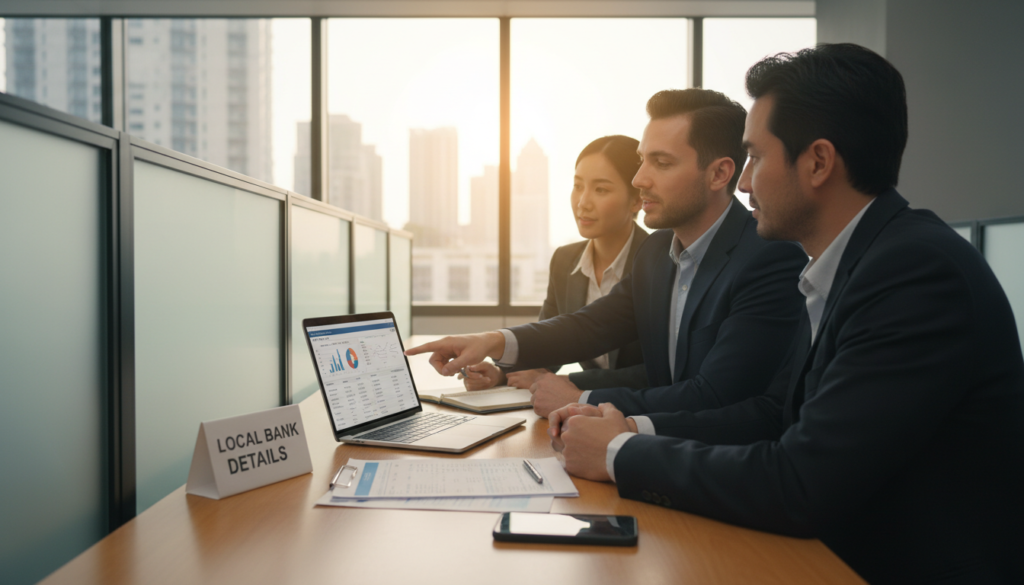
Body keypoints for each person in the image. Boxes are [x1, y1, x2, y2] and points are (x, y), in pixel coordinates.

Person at [547, 44, 1024, 583]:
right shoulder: (851, 263)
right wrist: (631, 425)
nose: (744, 182)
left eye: (755, 156)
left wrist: (619, 453)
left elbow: (800, 481)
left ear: (818, 162)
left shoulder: (914, 273)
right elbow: (774, 414)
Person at [407, 89, 807, 419]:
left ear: (719, 174)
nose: (639, 180)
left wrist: (580, 399)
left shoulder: (768, 256)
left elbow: (718, 397)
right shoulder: (656, 253)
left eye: (661, 163)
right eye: (641, 161)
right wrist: (491, 340)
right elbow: (588, 327)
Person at [460, 136, 650, 393]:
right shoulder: (565, 260)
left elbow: (660, 371)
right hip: (580, 411)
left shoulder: (657, 261)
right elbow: (550, 347)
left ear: (637, 200)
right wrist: (500, 374)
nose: (583, 202)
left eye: (601, 189)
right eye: (578, 186)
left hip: (645, 412)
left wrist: (571, 382)